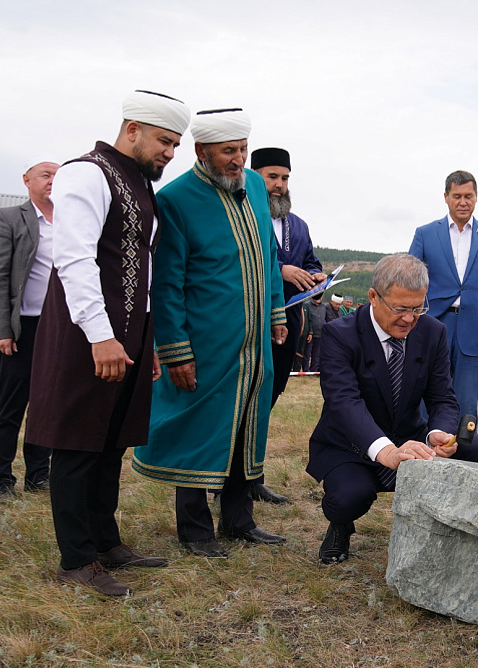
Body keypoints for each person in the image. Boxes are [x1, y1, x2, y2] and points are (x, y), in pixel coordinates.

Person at [25, 90, 190, 596]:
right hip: (88, 333)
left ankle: (105, 542)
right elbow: (72, 258)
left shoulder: (139, 182)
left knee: (111, 440)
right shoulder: (87, 172)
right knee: (78, 443)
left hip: (131, 334)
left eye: (176, 145)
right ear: (133, 129)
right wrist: (100, 336)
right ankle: (76, 560)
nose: (169, 153)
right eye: (164, 141)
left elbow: (138, 272)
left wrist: (149, 340)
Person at [131, 108, 287, 558]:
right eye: (228, 152)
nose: (238, 160)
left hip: (253, 341)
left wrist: (276, 311)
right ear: (202, 152)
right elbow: (167, 281)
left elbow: (268, 258)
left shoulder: (255, 186)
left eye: (242, 150)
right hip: (204, 342)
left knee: (245, 427)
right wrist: (176, 351)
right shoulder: (176, 199)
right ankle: (195, 530)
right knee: (199, 428)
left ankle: (239, 520)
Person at [307, 253, 478, 564]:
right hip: (354, 445)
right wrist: (385, 451)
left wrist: (438, 432)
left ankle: (444, 523)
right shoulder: (341, 334)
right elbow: (344, 403)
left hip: (411, 438)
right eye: (401, 309)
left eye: (418, 308)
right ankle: (340, 526)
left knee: (477, 450)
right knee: (346, 499)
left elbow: (442, 397)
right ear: (373, 297)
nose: (410, 318)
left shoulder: (432, 332)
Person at [0, 157, 59, 500]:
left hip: (60, 327)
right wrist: (1, 328)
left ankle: (38, 474)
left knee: (47, 406)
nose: (53, 181)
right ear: (27, 180)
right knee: (12, 406)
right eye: (46, 175)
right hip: (23, 328)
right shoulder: (8, 218)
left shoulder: (74, 221)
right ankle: (0, 479)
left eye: (59, 176)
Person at [409, 170, 478, 422]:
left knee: (466, 402)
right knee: (424, 396)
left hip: (474, 332)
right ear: (446, 197)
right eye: (457, 196)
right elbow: (409, 280)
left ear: (476, 198)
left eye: (468, 196)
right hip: (431, 325)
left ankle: (464, 453)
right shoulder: (425, 233)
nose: (463, 202)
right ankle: (420, 452)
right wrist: (408, 322)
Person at [250, 148, 325, 405]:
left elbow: (310, 261)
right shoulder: (244, 216)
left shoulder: (299, 225)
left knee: (275, 385)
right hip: (254, 318)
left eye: (285, 178)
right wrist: (280, 269)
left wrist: (316, 277)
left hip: (290, 320)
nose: (279, 185)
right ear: (253, 176)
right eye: (272, 177)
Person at [306, 294, 327, 371]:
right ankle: (305, 369)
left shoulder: (324, 307)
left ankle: (314, 369)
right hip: (310, 334)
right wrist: (309, 332)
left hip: (320, 334)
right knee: (307, 353)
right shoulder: (307, 305)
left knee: (316, 354)